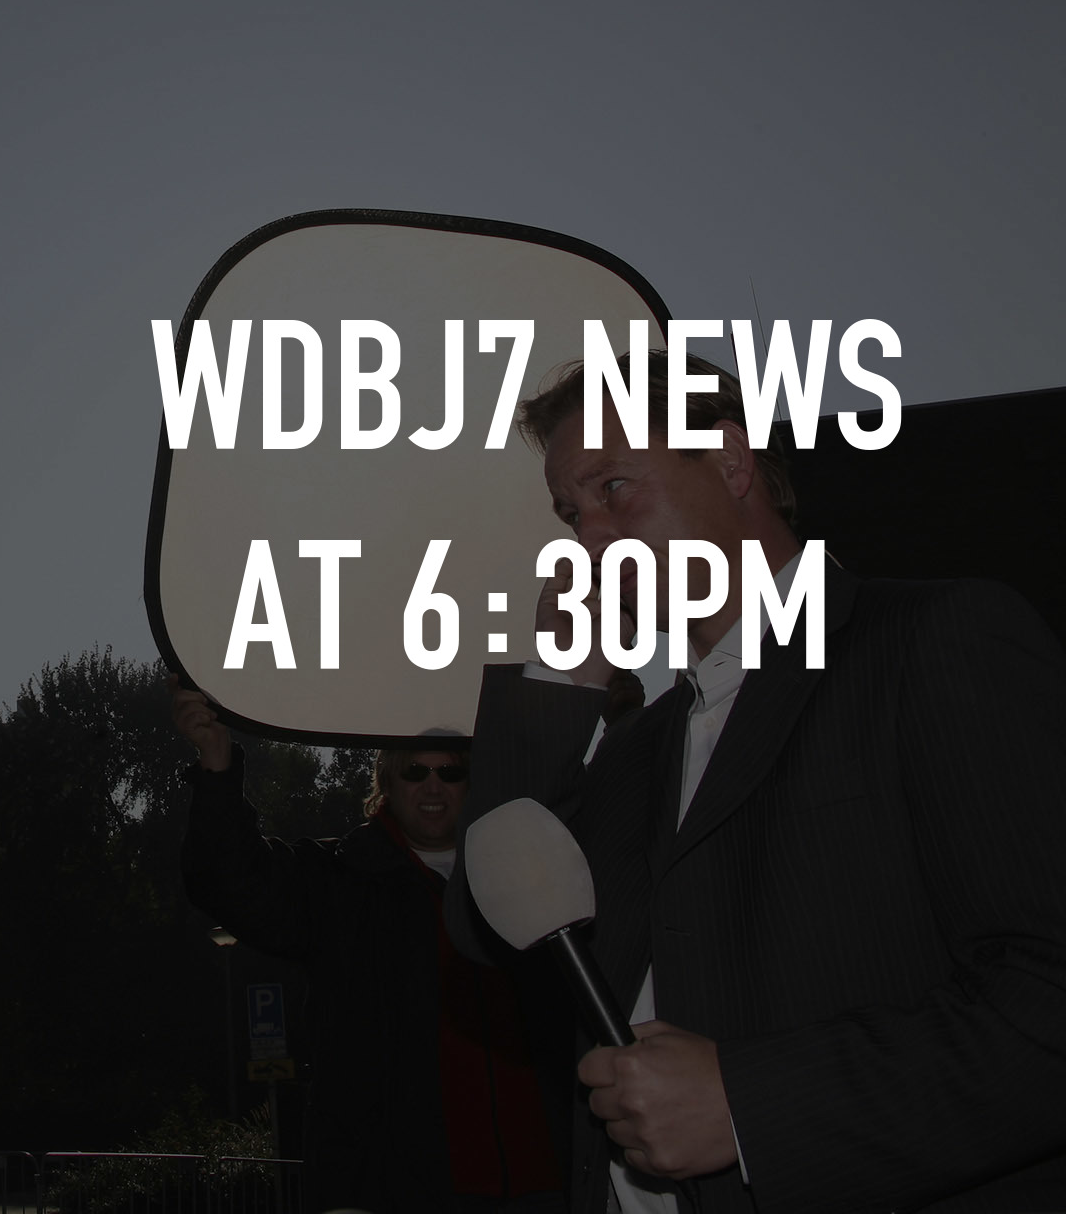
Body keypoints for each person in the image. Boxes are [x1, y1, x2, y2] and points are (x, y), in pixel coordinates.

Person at [445, 350, 1066, 1214]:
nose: (589, 538)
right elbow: (488, 928)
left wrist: (749, 1107)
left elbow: (1046, 998)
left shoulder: (933, 641)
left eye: (614, 487)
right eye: (571, 513)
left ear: (731, 462)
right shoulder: (635, 751)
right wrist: (556, 684)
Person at [175, 681, 571, 1214]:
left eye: (450, 772)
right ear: (387, 781)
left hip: (541, 1182)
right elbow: (229, 881)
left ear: (473, 783)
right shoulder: (341, 881)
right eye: (415, 771)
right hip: (393, 1189)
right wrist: (217, 764)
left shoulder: (529, 879)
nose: (433, 786)